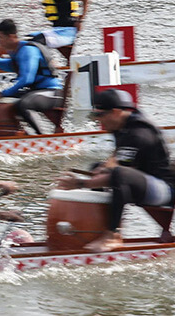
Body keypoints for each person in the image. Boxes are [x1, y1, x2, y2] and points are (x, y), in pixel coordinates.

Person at [56, 89, 175, 252]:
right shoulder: (121, 124)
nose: (100, 120)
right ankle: (98, 229)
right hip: (143, 182)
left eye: (102, 115)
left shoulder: (139, 133)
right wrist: (102, 168)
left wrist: (80, 183)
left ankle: (113, 235)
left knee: (120, 174)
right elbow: (117, 155)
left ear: (116, 112)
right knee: (97, 168)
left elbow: (120, 172)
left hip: (164, 191)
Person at [0, 19, 63, 135]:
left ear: (11, 36)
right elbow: (12, 66)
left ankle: (42, 137)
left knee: (23, 104)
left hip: (52, 93)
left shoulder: (28, 51)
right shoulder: (17, 51)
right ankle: (19, 133)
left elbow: (27, 79)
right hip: (36, 91)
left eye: (1, 38)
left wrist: (3, 93)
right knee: (3, 101)